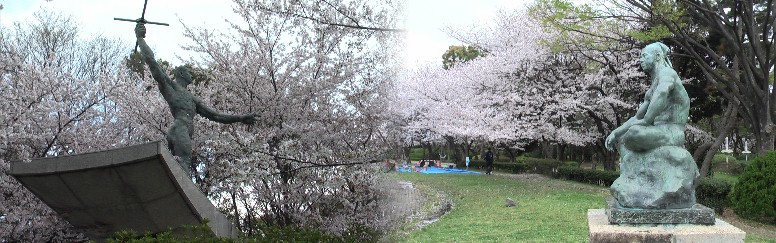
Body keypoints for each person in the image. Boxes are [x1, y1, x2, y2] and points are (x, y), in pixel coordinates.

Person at [135, 23, 257, 175]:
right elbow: (152, 63)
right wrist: (140, 38)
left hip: (185, 130)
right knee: (184, 163)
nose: (192, 75)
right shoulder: (170, 86)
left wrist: (240, 117)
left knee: (184, 163)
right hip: (179, 128)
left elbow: (215, 115)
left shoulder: (193, 99)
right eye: (189, 72)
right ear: (181, 74)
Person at [605, 42, 690, 155]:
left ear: (658, 56)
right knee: (621, 136)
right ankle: (633, 170)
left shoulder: (668, 73)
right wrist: (615, 133)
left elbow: (662, 93)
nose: (640, 60)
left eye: (644, 56)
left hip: (672, 132)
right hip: (658, 131)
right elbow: (637, 117)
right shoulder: (652, 89)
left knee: (633, 133)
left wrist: (646, 120)